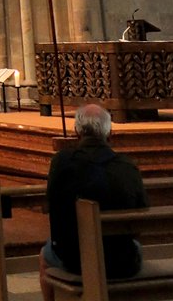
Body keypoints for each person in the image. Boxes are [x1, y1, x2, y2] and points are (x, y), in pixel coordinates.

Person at [39, 104, 148, 300]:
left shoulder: (62, 162)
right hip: (124, 259)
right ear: (110, 133)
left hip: (75, 259)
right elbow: (141, 215)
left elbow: (52, 206)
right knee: (135, 247)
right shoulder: (127, 166)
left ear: (76, 131)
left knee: (44, 255)